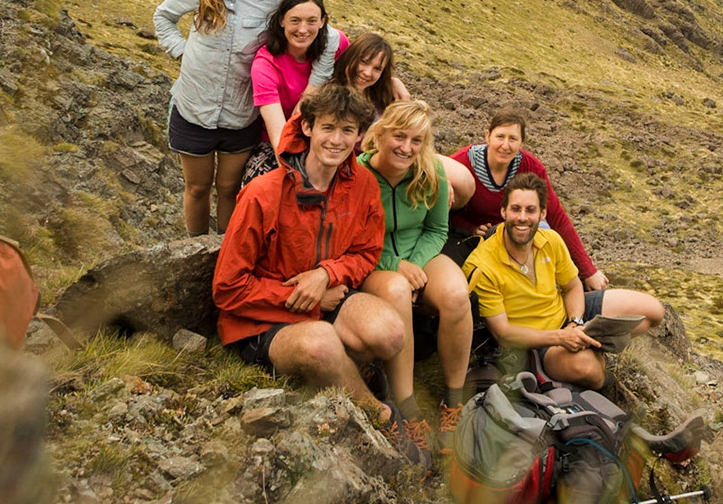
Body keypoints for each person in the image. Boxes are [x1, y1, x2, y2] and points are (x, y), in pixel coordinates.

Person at [211, 82, 427, 464]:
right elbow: (228, 288)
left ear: (359, 136)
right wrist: (306, 298)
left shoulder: (362, 185)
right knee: (322, 344)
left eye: (348, 130)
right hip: (260, 322)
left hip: (328, 298)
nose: (337, 140)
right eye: (328, 127)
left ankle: (350, 374)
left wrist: (327, 274)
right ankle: (381, 416)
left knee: (391, 333)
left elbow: (366, 251)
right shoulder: (263, 193)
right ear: (307, 127)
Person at [462, 173, 665, 390]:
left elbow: (572, 286)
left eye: (530, 210)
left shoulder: (551, 240)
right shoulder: (481, 265)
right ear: (503, 211)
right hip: (538, 343)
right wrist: (561, 337)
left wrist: (574, 323)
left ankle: (586, 343)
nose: (522, 217)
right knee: (588, 369)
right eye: (515, 209)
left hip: (567, 317)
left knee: (653, 312)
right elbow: (503, 334)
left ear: (542, 214)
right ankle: (598, 366)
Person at [153, 0, 287, 234]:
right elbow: (163, 16)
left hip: (241, 114)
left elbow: (313, 28)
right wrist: (182, 52)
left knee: (229, 189)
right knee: (197, 188)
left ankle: (225, 253)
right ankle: (195, 249)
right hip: (193, 108)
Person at [357, 99, 474, 450]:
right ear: (380, 134)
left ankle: (453, 401)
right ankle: (407, 407)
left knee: (456, 294)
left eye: (416, 140)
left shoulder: (431, 172)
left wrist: (415, 266)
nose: (406, 148)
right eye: (399, 136)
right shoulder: (358, 175)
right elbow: (352, 238)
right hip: (371, 259)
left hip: (419, 254)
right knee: (395, 290)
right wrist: (395, 265)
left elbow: (438, 230)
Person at [325, 33, 475, 222]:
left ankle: (438, 221)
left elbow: (411, 130)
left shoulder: (384, 93)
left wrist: (437, 178)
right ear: (350, 56)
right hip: (370, 162)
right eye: (363, 62)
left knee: (463, 181)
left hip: (399, 150)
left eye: (377, 68)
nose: (367, 73)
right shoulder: (333, 95)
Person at [446, 112, 597, 285]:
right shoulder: (462, 163)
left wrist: (588, 271)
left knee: (544, 231)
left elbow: (556, 216)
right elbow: (442, 209)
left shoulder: (530, 167)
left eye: (513, 139)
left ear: (521, 143)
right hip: (466, 237)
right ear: (487, 136)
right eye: (500, 137)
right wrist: (471, 228)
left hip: (514, 230)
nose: (505, 145)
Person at [246, 0, 346, 184]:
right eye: (295, 20)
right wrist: (296, 180)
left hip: (328, 138)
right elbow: (279, 136)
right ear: (281, 20)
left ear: (322, 22)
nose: (302, 29)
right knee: (261, 185)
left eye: (311, 21)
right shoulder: (265, 65)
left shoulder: (338, 44)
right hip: (277, 141)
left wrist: (392, 82)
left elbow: (363, 76)